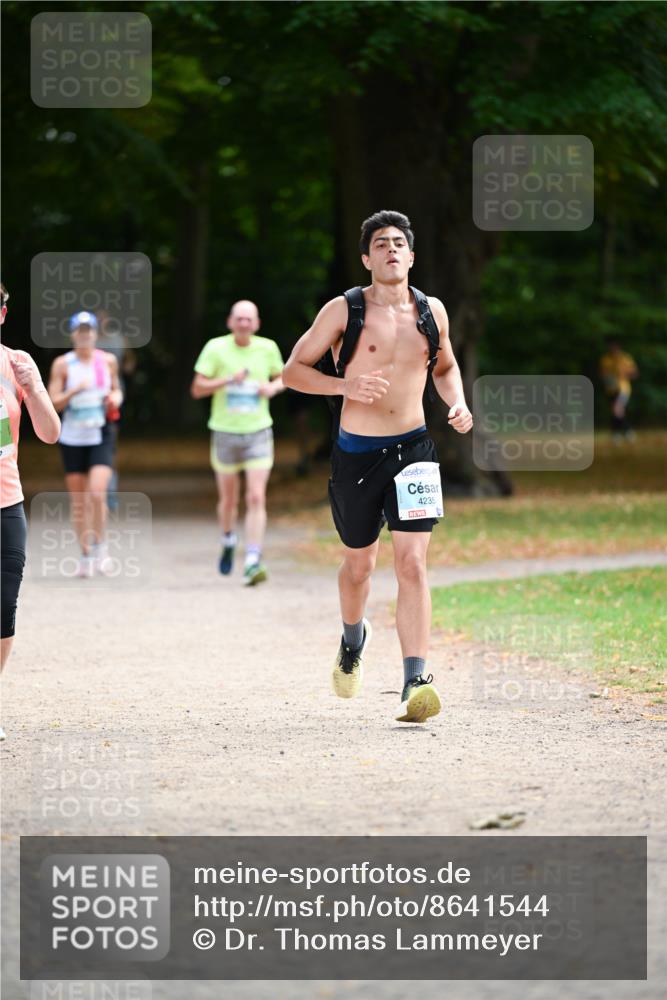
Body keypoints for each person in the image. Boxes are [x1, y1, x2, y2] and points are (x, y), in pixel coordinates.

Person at [283, 210, 473, 724]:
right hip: (357, 455)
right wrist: (344, 386)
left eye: (399, 243)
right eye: (381, 244)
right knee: (359, 566)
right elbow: (293, 371)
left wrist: (456, 403)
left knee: (412, 563)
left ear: (412, 257)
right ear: (367, 258)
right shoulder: (344, 310)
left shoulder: (432, 312)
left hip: (414, 451)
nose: (391, 250)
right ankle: (353, 639)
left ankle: (415, 680)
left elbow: (447, 366)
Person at [0, 282, 61, 739]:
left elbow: (50, 433)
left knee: (3, 607)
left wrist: (35, 391)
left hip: (6, 501)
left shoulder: (17, 363)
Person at [191, 300, 284, 585]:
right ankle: (229, 538)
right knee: (229, 499)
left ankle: (253, 558)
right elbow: (197, 388)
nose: (244, 323)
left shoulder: (267, 347)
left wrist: (272, 387)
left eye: (249, 319)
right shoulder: (215, 348)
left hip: (258, 431)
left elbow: (284, 377)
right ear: (230, 322)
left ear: (256, 323)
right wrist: (228, 380)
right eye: (239, 318)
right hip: (224, 432)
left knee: (256, 496)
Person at [47, 312, 123, 577]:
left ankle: (101, 547)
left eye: (88, 330)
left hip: (100, 433)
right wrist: (73, 391)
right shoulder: (63, 365)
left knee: (97, 494)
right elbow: (52, 402)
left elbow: (116, 390)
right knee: (79, 500)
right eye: (79, 331)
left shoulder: (107, 361)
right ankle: (85, 554)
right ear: (72, 335)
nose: (84, 335)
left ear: (95, 334)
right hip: (72, 437)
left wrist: (115, 398)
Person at [599, 339, 639, 442]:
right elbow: (603, 374)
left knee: (616, 410)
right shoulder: (606, 359)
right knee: (617, 412)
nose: (613, 349)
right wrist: (607, 377)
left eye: (614, 347)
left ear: (618, 348)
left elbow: (635, 373)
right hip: (611, 389)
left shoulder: (625, 358)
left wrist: (624, 374)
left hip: (623, 389)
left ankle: (626, 432)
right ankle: (618, 433)